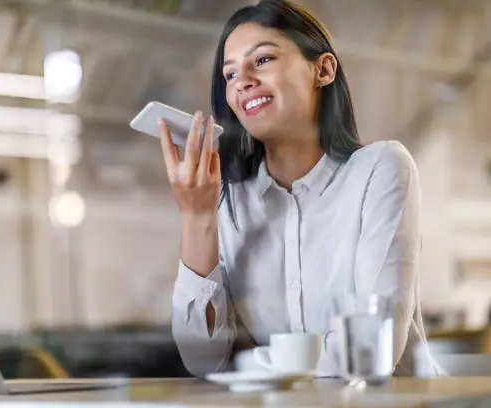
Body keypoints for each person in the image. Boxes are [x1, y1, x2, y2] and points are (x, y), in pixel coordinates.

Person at [158, 0, 439, 378]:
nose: (242, 81)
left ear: (322, 69)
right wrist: (196, 216)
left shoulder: (381, 169)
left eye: (262, 60)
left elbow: (371, 352)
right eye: (229, 75)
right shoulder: (230, 201)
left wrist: (251, 366)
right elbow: (203, 361)